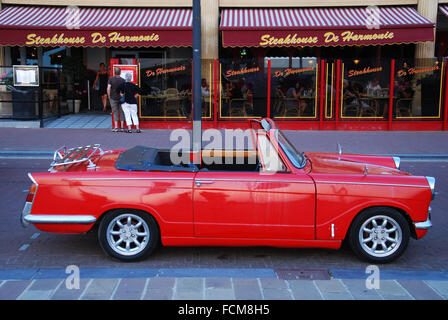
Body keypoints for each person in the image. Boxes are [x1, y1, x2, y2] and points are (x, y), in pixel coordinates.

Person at [107, 67, 126, 132]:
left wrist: (109, 96)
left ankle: (116, 127)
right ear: (120, 73)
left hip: (113, 97)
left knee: (115, 112)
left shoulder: (111, 79)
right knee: (121, 112)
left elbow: (108, 88)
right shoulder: (123, 80)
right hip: (121, 99)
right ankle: (122, 127)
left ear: (114, 72)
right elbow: (124, 89)